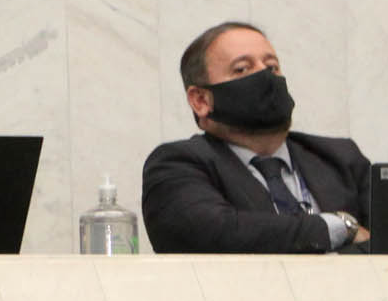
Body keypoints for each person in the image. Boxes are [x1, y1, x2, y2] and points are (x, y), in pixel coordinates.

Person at [142, 21, 370, 253]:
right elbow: (214, 233)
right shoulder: (177, 164)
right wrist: (339, 228)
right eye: (242, 69)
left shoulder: (340, 157)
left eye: (271, 67)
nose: (264, 76)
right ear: (200, 100)